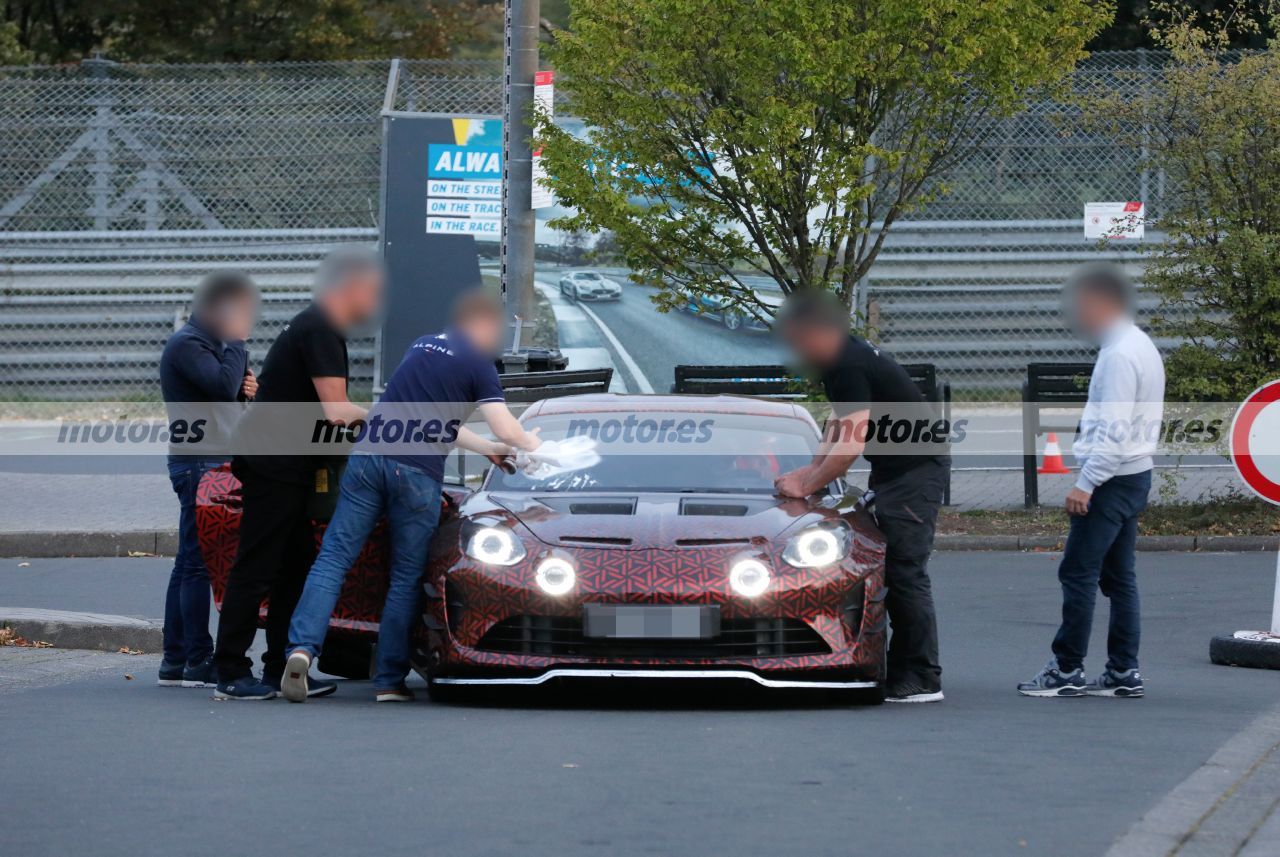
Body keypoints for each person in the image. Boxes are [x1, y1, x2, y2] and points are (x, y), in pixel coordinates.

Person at [279, 290, 543, 703]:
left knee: (333, 558)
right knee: (404, 577)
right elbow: (507, 428)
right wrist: (530, 444)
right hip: (416, 473)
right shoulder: (480, 364)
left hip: (368, 458)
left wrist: (486, 449)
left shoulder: (422, 345)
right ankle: (387, 682)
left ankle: (300, 650)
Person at [212, 247, 383, 700]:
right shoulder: (320, 326)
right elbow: (337, 410)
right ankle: (229, 670)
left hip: (287, 460)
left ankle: (278, 666)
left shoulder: (319, 325)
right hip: (274, 461)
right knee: (258, 564)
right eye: (371, 291)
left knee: (295, 567)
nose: (375, 302)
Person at [774, 290, 950, 704]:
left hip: (914, 473)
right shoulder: (845, 357)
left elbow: (850, 445)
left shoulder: (847, 364)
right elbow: (838, 424)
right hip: (901, 472)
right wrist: (810, 474)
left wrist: (807, 484)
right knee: (897, 571)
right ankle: (904, 667)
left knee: (906, 573)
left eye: (798, 339)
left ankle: (923, 677)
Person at [1018, 264, 1164, 699]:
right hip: (1134, 474)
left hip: (1111, 480)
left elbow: (1114, 430)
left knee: (1078, 573)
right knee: (1120, 578)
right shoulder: (1139, 344)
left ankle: (1066, 670)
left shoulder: (1119, 354)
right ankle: (1123, 671)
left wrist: (1086, 483)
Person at [157, 272, 259, 688]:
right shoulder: (190, 344)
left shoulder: (204, 344)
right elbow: (219, 387)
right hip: (199, 461)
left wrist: (244, 388)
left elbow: (222, 394)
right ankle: (196, 659)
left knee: (189, 563)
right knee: (196, 564)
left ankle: (176, 661)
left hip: (206, 457)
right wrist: (237, 348)